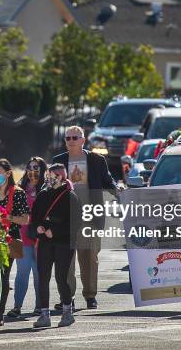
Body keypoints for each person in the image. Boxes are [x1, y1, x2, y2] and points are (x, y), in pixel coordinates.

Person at [53, 126, 118, 310]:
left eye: (75, 137)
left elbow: (107, 180)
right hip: (66, 219)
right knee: (66, 260)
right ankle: (67, 297)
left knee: (89, 259)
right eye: (68, 138)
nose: (71, 140)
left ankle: (90, 296)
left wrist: (116, 190)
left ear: (83, 140)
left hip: (90, 216)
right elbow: (50, 186)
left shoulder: (96, 160)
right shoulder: (58, 161)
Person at [31, 163, 82, 328]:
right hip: (45, 242)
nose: (48, 179)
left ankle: (67, 311)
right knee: (43, 277)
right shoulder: (42, 195)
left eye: (52, 176)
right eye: (48, 176)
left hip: (64, 243)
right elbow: (35, 219)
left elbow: (75, 224)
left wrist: (56, 231)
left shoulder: (70, 196)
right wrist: (38, 228)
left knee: (61, 277)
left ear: (60, 177)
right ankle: (44, 315)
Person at [0, 158, 30, 326]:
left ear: (8, 173)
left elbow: (25, 220)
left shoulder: (18, 193)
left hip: (9, 239)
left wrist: (9, 217)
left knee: (3, 275)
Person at [7, 157, 46, 318]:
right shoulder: (19, 188)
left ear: (42, 169)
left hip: (41, 237)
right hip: (22, 235)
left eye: (36, 167)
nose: (32, 170)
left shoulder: (46, 188)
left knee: (39, 273)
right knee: (22, 272)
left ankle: (39, 306)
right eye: (29, 167)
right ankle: (17, 306)